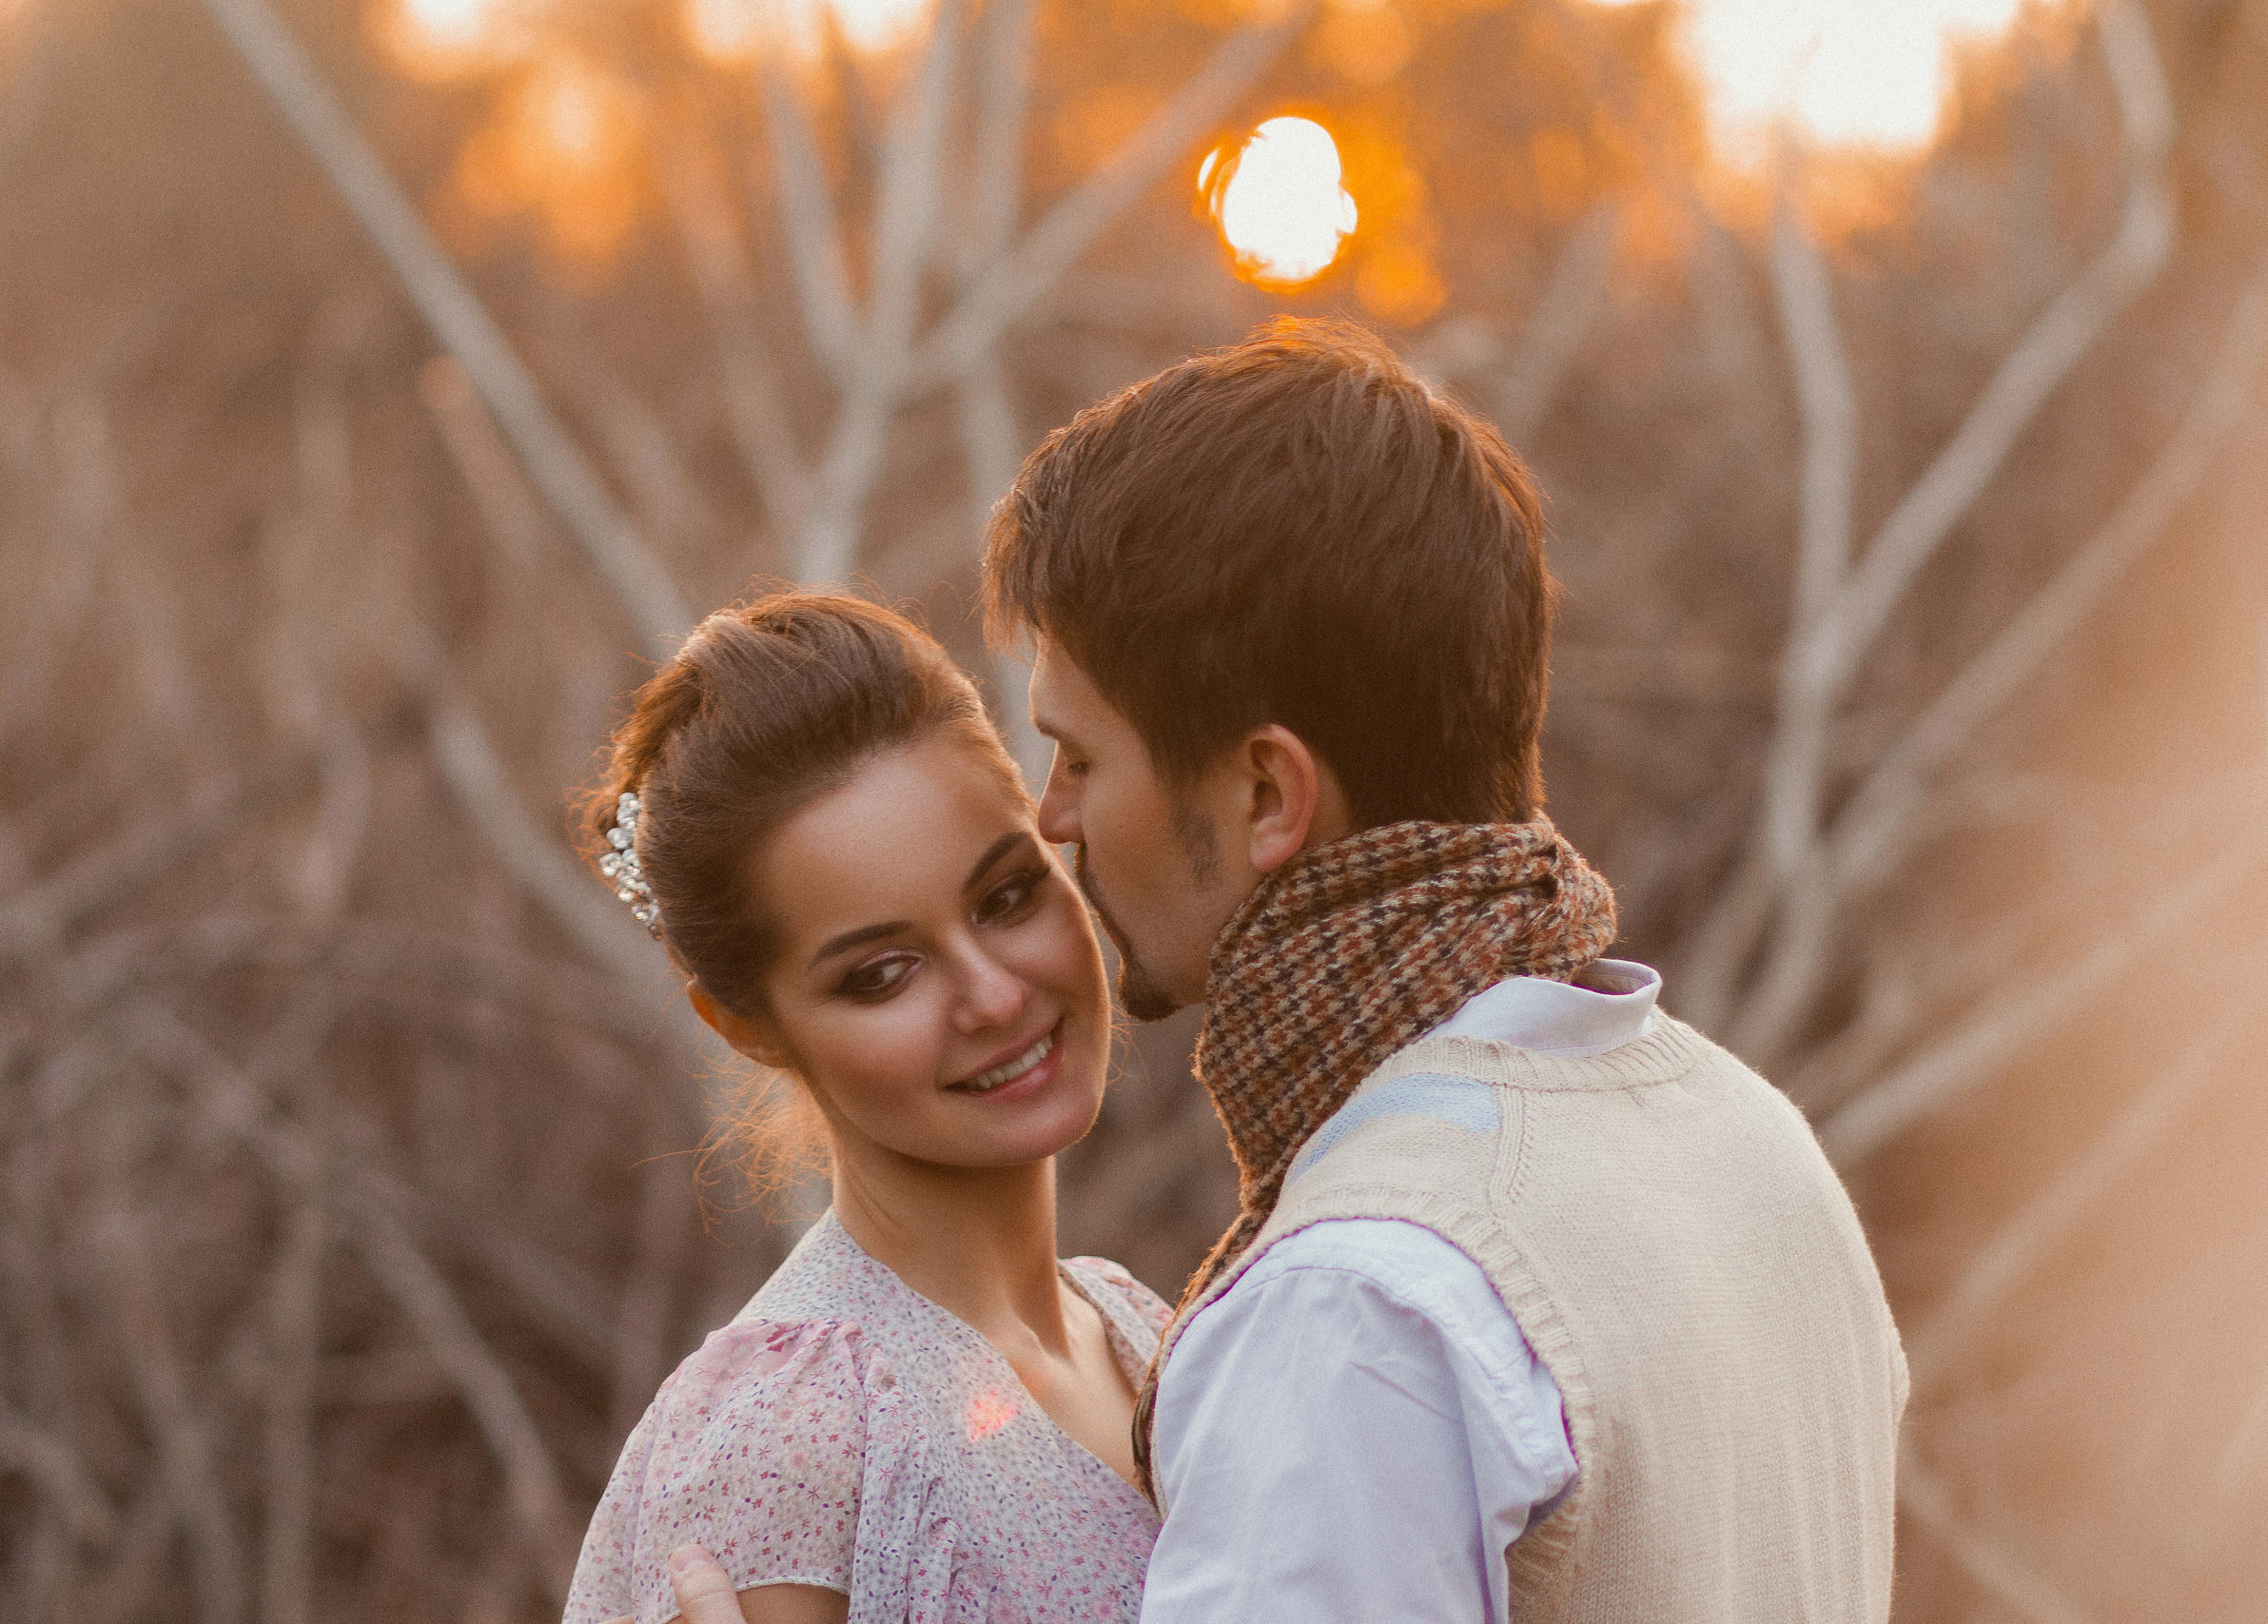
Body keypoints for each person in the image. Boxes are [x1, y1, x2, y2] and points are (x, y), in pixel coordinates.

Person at [659, 319, 1908, 1624]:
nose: (1058, 813)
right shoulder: (1750, 1141)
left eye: (1082, 755)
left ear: (1265, 791)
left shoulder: (1353, 1307)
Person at [561, 593, 1169, 1624]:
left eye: (1007, 896)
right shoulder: (788, 1428)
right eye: (882, 973)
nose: (994, 995)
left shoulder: (1139, 1331)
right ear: (745, 1025)